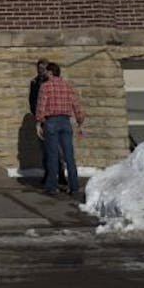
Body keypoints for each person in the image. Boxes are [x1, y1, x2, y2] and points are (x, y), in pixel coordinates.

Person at [35, 62, 85, 197]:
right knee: (69, 155)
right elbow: (76, 105)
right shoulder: (67, 86)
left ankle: (52, 186)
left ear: (51, 72)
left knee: (52, 155)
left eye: (46, 71)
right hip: (65, 122)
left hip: (51, 122)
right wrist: (80, 123)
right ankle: (74, 186)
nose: (44, 73)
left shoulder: (45, 87)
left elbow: (41, 105)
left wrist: (39, 122)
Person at [29, 58, 67, 188]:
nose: (41, 71)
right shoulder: (34, 82)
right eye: (39, 69)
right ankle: (48, 174)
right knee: (45, 150)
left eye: (43, 69)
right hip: (42, 119)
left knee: (58, 149)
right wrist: (37, 117)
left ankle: (60, 174)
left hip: (51, 118)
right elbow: (33, 101)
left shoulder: (50, 83)